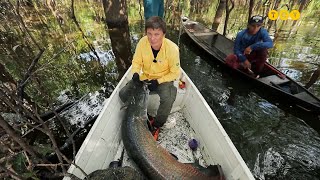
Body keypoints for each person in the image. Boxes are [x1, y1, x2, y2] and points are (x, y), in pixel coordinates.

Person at [119, 16, 180, 137]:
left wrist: (158, 81)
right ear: (146, 32)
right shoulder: (142, 42)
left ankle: (157, 125)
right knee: (123, 93)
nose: (152, 38)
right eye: (149, 33)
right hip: (145, 77)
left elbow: (175, 73)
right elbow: (136, 62)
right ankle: (141, 114)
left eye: (157, 34)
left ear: (164, 34)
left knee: (168, 99)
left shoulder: (173, 49)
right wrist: (136, 73)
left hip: (163, 79)